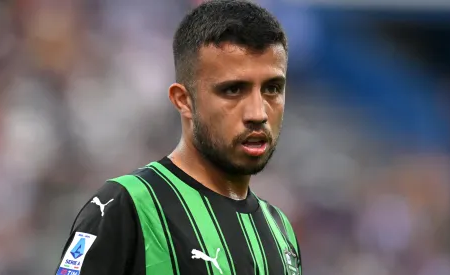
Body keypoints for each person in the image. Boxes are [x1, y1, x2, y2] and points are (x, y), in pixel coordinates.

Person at [55, 0, 302, 274]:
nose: (258, 113)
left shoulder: (280, 230)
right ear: (184, 101)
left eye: (272, 88)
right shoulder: (126, 206)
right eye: (233, 90)